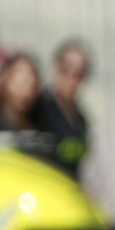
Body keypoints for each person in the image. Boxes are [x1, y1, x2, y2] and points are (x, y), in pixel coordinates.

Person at [34, 39, 90, 178]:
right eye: (67, 67)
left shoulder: (80, 118)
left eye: (79, 72)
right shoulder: (39, 108)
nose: (71, 76)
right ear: (56, 65)